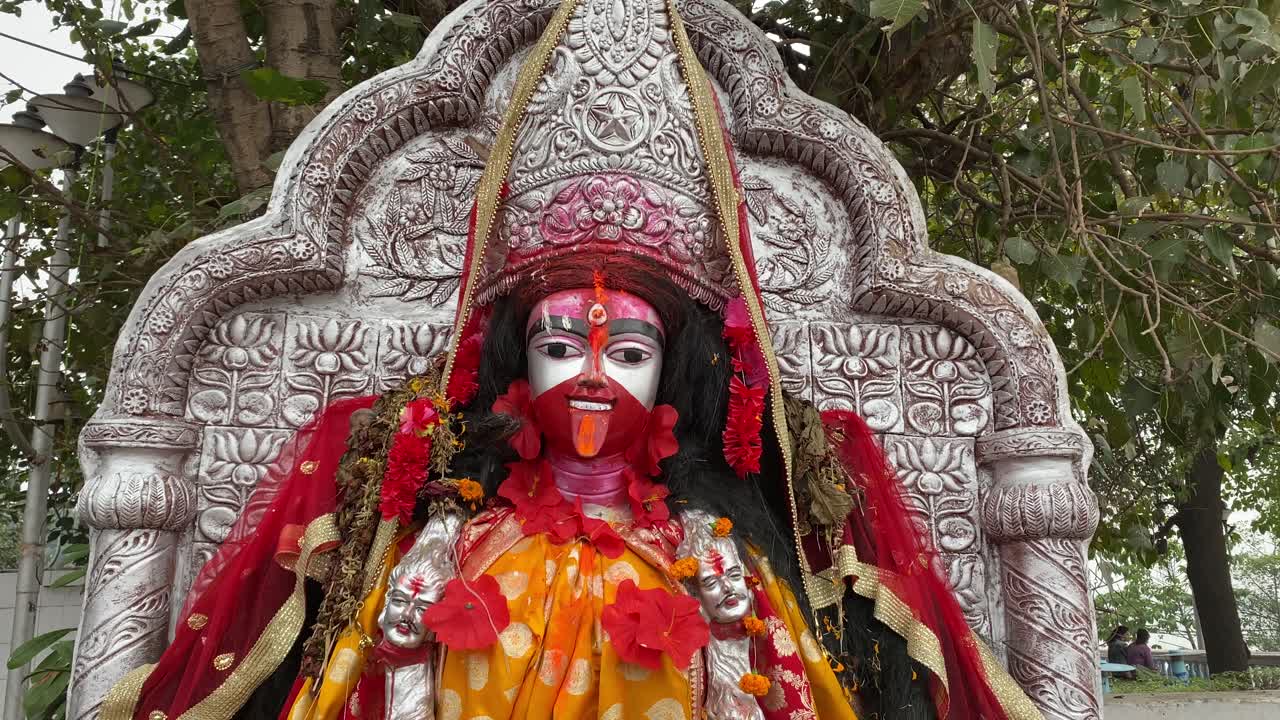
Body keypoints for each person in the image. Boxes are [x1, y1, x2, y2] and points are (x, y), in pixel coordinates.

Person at [99, 0, 1045, 717]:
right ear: (517, 370)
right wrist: (395, 635)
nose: (592, 371)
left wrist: (723, 622)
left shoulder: (716, 556)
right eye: (560, 344)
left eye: (627, 349)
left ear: (671, 377)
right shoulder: (449, 548)